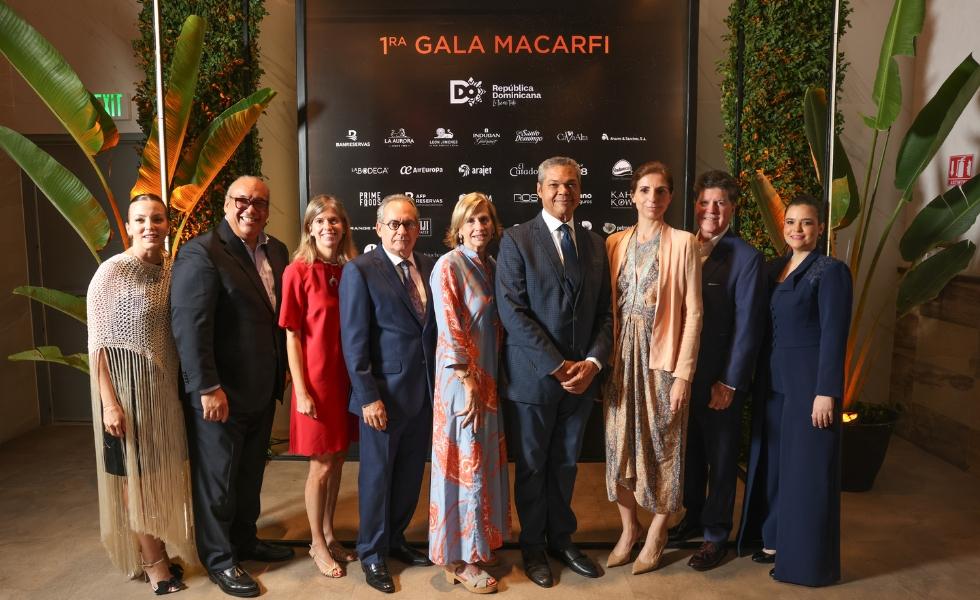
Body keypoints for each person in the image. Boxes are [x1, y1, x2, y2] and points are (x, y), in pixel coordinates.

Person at [171, 176, 292, 598]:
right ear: (226, 205)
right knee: (218, 483)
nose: (251, 209)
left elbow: (276, 318)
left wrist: (283, 368)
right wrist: (206, 387)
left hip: (261, 388)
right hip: (220, 394)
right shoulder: (201, 253)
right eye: (242, 200)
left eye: (260, 203)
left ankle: (244, 540)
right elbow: (190, 327)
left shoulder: (276, 250)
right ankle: (220, 559)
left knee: (249, 474)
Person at [496, 156, 613, 588]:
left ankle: (562, 540)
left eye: (572, 184)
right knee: (531, 468)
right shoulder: (516, 240)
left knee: (565, 465)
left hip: (581, 380)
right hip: (534, 378)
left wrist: (593, 363)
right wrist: (557, 365)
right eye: (555, 185)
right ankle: (532, 547)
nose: (564, 191)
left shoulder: (596, 244)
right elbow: (513, 311)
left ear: (580, 191)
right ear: (539, 190)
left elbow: (606, 314)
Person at [738, 195, 851, 587]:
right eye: (790, 222)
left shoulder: (831, 271)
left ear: (820, 228)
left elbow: (835, 335)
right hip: (771, 384)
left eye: (806, 223)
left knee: (806, 471)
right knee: (774, 466)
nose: (797, 229)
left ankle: (805, 562)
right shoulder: (774, 268)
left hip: (808, 386)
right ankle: (773, 539)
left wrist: (827, 391)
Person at [87, 193, 194, 594]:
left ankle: (156, 549)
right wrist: (109, 404)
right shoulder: (111, 273)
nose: (150, 226)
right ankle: (154, 565)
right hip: (125, 393)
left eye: (158, 218)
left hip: (162, 392)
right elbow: (98, 347)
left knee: (158, 475)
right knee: (134, 481)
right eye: (141, 220)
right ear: (129, 228)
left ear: (168, 224)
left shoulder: (172, 270)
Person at [603, 161, 703, 575]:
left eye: (661, 191)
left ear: (670, 197)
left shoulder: (684, 242)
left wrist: (684, 374)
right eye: (645, 190)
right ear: (632, 195)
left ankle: (659, 530)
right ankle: (630, 529)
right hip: (619, 360)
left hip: (662, 360)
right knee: (618, 446)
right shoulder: (614, 242)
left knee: (665, 445)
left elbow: (694, 312)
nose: (652, 198)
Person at [339, 194, 437, 594]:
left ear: (419, 228)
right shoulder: (360, 271)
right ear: (379, 228)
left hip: (424, 394)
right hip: (382, 398)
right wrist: (368, 397)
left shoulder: (428, 266)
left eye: (409, 223)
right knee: (377, 479)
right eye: (394, 224)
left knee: (410, 475)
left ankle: (395, 539)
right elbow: (354, 342)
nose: (402, 231)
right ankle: (372, 553)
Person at [667, 170, 765, 571]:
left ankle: (715, 534)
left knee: (722, 460)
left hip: (719, 380)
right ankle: (693, 517)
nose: (711, 210)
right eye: (704, 202)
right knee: (690, 454)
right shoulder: (681, 246)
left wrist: (729, 381)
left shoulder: (746, 258)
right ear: (695, 205)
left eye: (720, 203)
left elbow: (748, 327)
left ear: (732, 208)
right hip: (682, 377)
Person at [428, 192, 510, 594]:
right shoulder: (448, 265)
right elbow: (449, 326)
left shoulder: (491, 266)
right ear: (458, 228)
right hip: (462, 381)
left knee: (483, 462)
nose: (479, 226)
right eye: (471, 220)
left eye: (485, 219)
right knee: (465, 464)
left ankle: (478, 543)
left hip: (488, 379)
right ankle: (460, 559)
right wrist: (467, 379)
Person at [279, 195, 359, 579]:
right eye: (321, 221)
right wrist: (302, 390)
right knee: (321, 465)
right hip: (315, 383)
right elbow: (292, 336)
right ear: (309, 228)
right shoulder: (297, 271)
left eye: (335, 220)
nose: (329, 227)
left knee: (339, 459)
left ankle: (329, 533)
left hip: (345, 381)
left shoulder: (349, 270)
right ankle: (316, 543)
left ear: (344, 227)